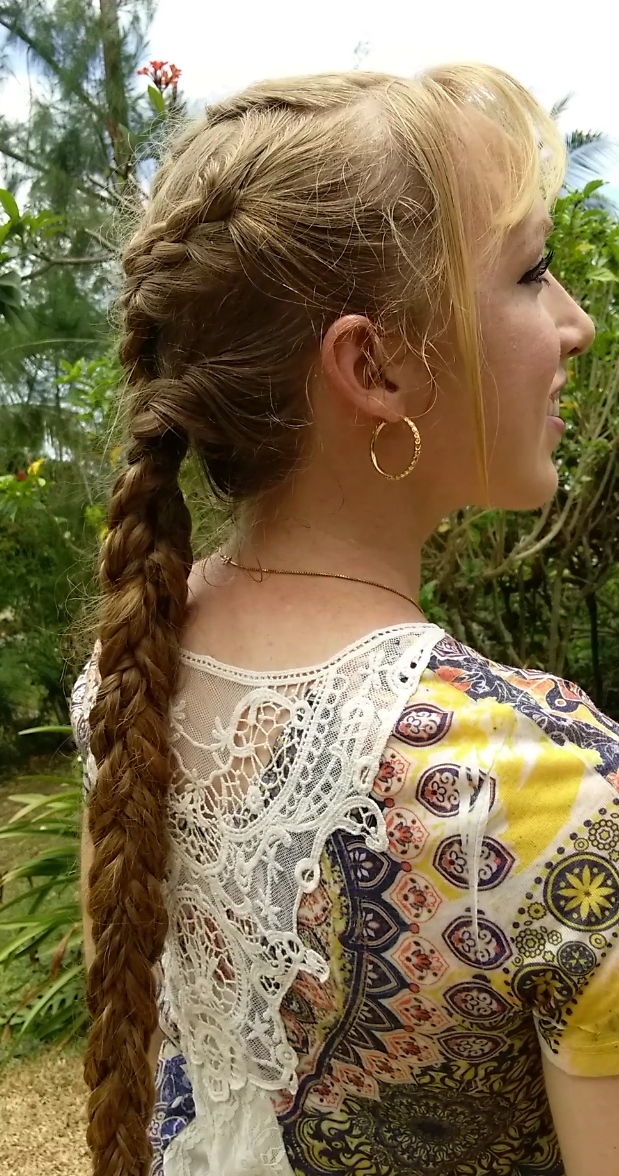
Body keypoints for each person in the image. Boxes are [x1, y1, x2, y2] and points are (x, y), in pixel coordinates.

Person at [69, 63, 619, 1176]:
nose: (577, 323)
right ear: (371, 365)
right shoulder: (545, 783)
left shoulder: (129, 673)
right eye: (530, 273)